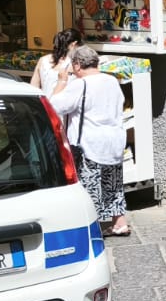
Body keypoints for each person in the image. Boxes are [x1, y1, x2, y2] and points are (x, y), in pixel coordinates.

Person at [48, 45, 130, 237]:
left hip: (90, 143)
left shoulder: (80, 84)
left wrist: (61, 81)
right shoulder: (111, 81)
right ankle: (120, 223)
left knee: (89, 186)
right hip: (114, 139)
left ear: (77, 65)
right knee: (113, 183)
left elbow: (54, 106)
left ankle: (90, 228)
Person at [31, 29, 81, 95]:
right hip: (66, 101)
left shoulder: (43, 60)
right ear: (74, 44)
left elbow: (33, 87)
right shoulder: (75, 63)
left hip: (45, 101)